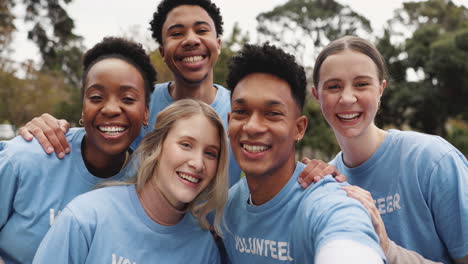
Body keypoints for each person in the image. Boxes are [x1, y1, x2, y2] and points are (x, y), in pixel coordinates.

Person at [17, 0, 242, 187]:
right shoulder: (138, 103)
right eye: (177, 33)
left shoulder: (242, 112)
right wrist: (47, 130)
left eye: (202, 30)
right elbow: (97, 136)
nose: (191, 40)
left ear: (218, 43)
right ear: (162, 52)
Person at [309, 35, 468, 264]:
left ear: (380, 89)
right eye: (334, 86)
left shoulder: (432, 160)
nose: (347, 98)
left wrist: (388, 250)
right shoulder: (328, 183)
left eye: (361, 84)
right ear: (316, 95)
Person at [222, 42, 385, 263]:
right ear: (230, 122)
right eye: (241, 112)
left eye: (272, 113)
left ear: (299, 128)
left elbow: (346, 233)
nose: (252, 127)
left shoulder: (326, 201)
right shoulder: (231, 205)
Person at [0, 37, 156, 263]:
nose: (111, 108)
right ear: (83, 108)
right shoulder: (26, 157)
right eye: (96, 97)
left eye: (128, 98)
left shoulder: (148, 186)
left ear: (145, 114)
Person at [33, 99, 228, 263]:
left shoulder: (204, 248)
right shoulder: (86, 217)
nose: (198, 163)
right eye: (186, 145)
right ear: (156, 146)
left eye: (210, 154)